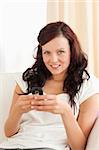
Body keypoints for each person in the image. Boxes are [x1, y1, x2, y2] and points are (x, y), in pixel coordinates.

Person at [0, 21, 99, 150]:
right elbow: (9, 133)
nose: (53, 60)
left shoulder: (88, 86)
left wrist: (66, 112)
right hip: (14, 146)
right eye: (47, 52)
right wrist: (17, 110)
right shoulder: (27, 80)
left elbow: (78, 147)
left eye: (60, 52)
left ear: (72, 51)